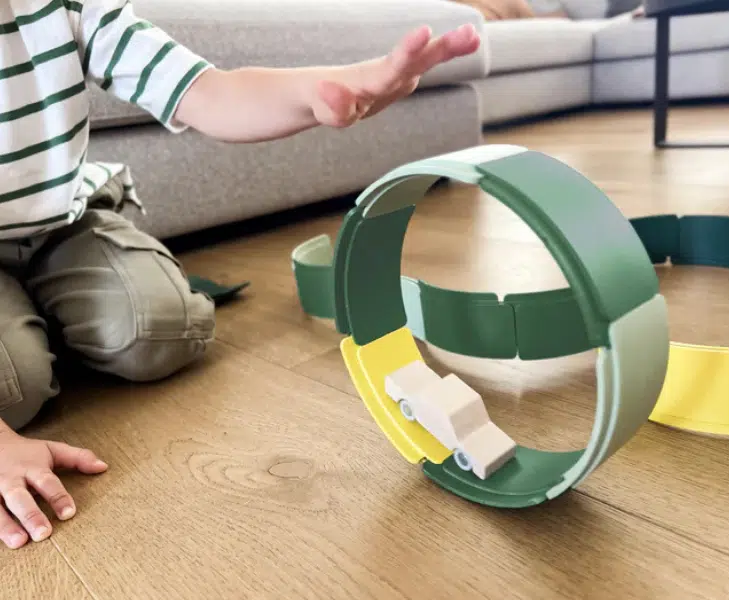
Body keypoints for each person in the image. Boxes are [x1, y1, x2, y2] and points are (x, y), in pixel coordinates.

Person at [0, 0, 481, 550]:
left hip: (65, 218)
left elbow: (209, 91)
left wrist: (325, 89)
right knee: (14, 388)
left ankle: (57, 305)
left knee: (159, 331)